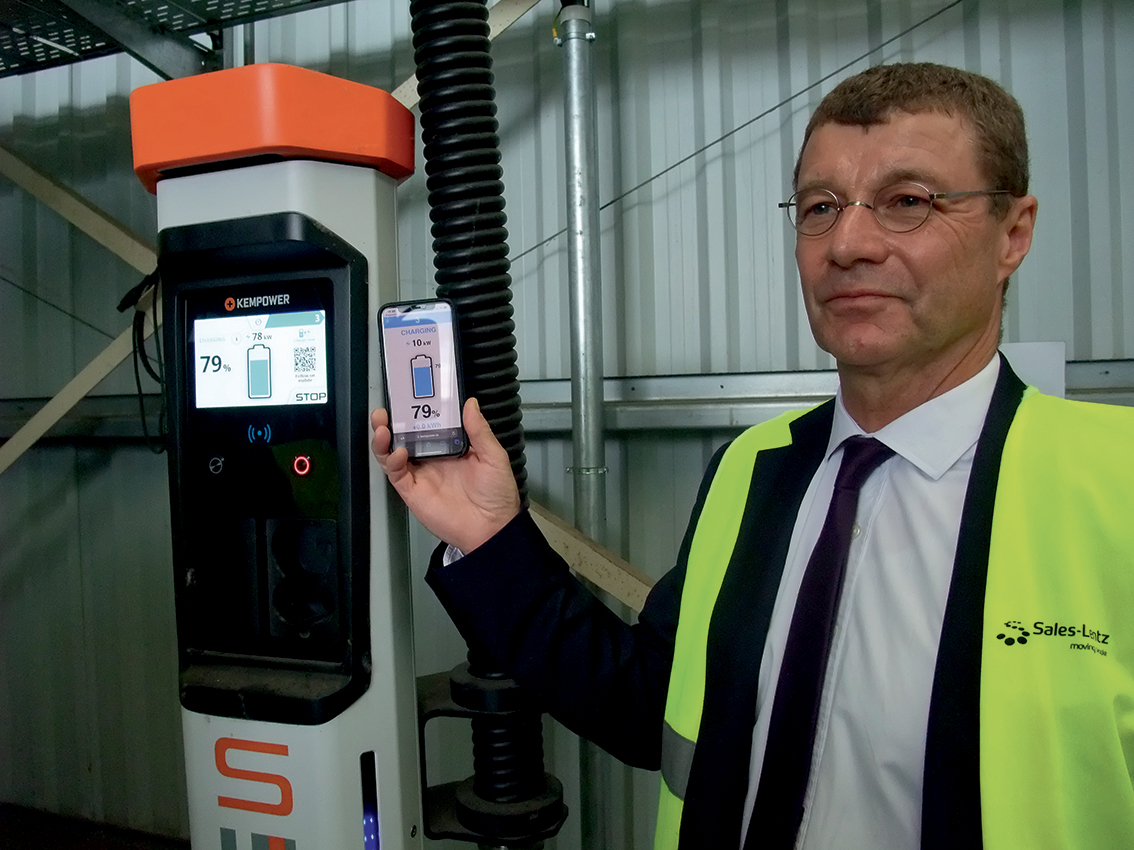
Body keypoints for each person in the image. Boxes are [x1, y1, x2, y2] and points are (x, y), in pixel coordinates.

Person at [373, 63, 1134, 850]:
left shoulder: (1118, 486)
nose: (848, 244)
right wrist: (488, 535)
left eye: (908, 201)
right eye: (820, 207)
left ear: (1013, 234)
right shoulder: (754, 468)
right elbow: (653, 706)